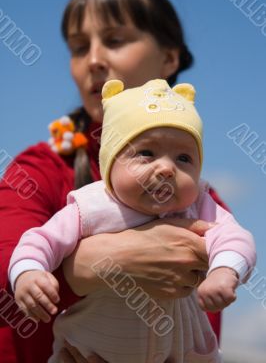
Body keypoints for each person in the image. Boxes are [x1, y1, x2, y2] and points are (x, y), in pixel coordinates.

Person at [0, 0, 228, 363]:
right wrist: (96, 263)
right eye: (77, 47)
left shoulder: (200, 197)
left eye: (115, 40)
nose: (93, 60)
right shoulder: (39, 169)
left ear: (170, 59)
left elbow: (200, 332)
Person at [9, 79, 256, 363]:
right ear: (110, 164)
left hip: (181, 353)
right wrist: (28, 272)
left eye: (184, 158)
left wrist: (225, 271)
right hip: (88, 351)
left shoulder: (199, 205)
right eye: (146, 153)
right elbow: (41, 240)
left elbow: (237, 239)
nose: (165, 168)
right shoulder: (91, 206)